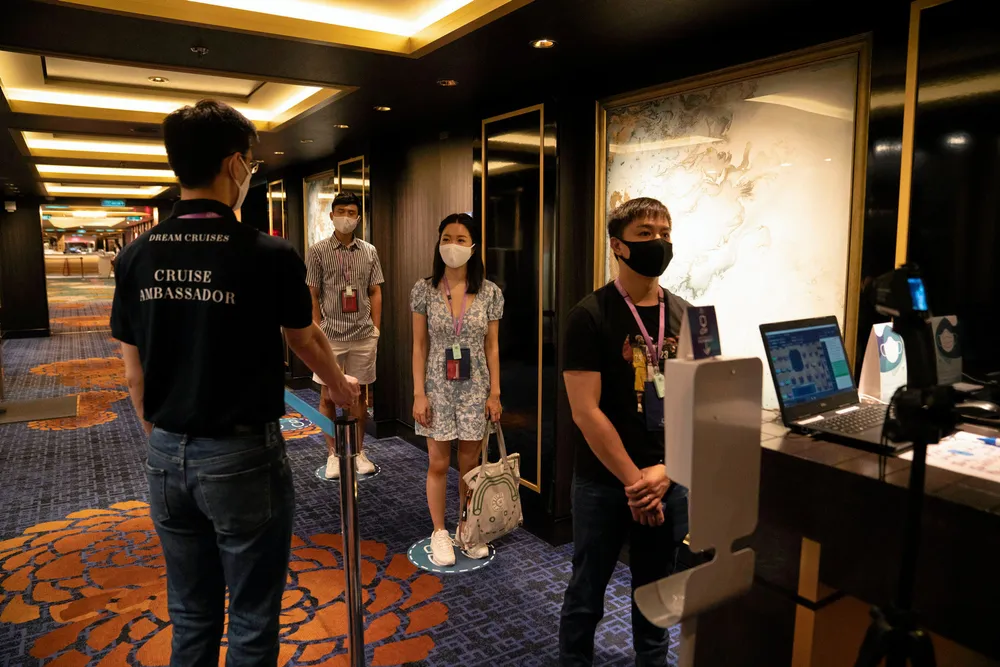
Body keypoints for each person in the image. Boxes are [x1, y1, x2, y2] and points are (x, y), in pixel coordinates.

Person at [111, 100, 360, 667]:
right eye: (250, 160)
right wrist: (341, 389)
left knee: (191, 615)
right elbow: (304, 339)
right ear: (233, 164)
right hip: (242, 456)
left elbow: (133, 374)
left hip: (165, 454)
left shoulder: (135, 256)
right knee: (250, 619)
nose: (250, 170)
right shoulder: (266, 253)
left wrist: (168, 438)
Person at [559, 197, 691, 667]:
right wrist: (637, 482)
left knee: (656, 594)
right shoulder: (588, 315)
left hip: (667, 480)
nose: (659, 242)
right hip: (605, 482)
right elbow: (585, 412)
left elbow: (702, 404)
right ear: (618, 245)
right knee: (587, 592)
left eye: (665, 233)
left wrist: (666, 472)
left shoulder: (691, 316)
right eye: (645, 234)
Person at [410, 213, 503, 566]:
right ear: (438, 243)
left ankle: (467, 526)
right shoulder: (424, 289)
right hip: (437, 387)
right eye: (447, 238)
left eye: (461, 239)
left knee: (470, 465)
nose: (453, 245)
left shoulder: (490, 292)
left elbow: (492, 346)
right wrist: (419, 393)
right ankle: (439, 531)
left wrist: (495, 393)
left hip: (475, 389)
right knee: (438, 462)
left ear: (473, 246)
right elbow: (419, 345)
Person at [305, 192, 384, 479]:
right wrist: (317, 332)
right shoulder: (317, 251)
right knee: (328, 396)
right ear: (331, 215)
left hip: (363, 335)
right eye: (341, 211)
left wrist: (376, 329)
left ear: (358, 218)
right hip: (330, 337)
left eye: (351, 213)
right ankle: (333, 455)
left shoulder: (369, 251)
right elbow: (312, 293)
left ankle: (358, 451)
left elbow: (375, 290)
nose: (346, 217)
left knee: (358, 397)